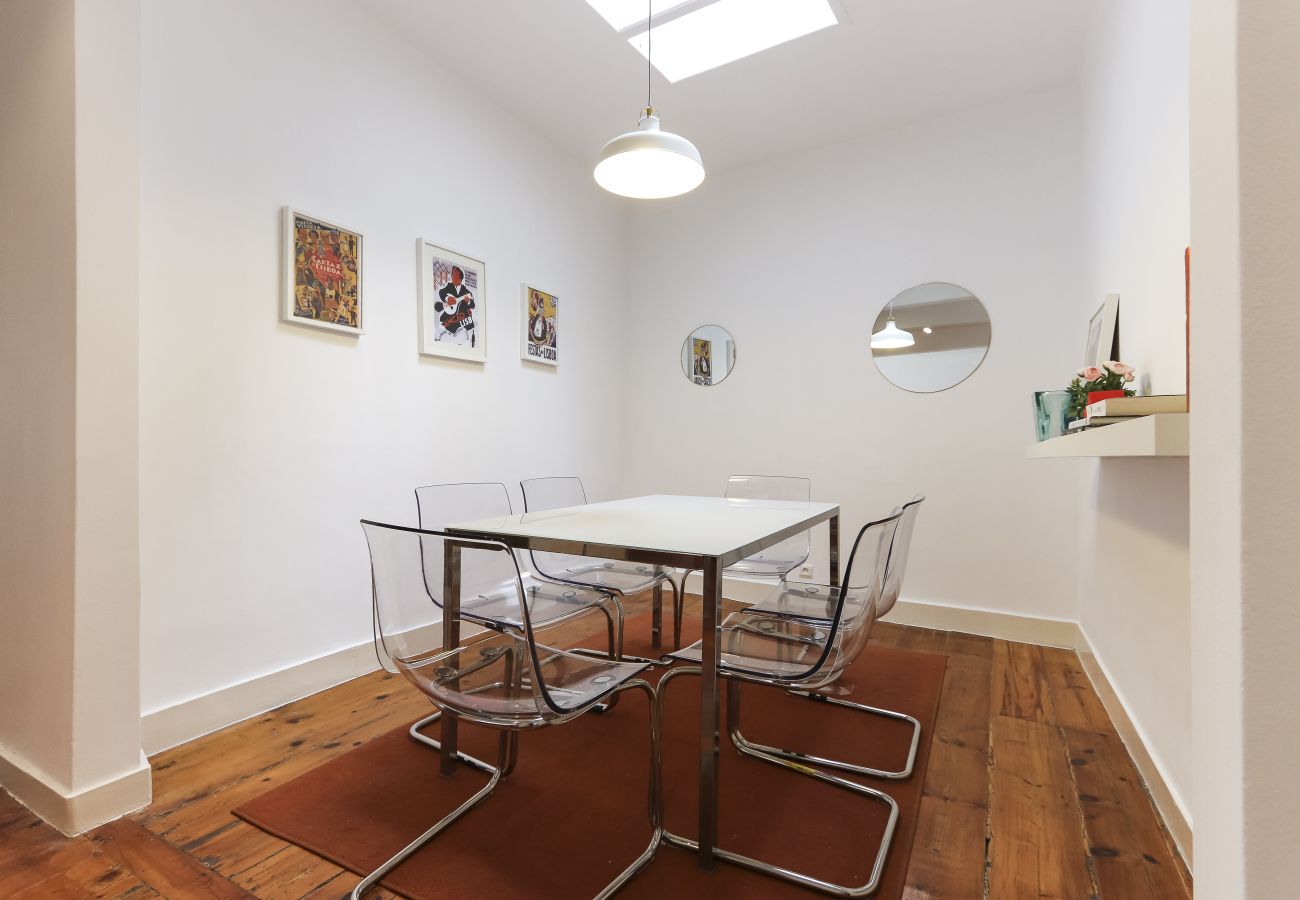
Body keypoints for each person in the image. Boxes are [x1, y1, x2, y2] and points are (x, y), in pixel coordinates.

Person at [435, 265, 476, 345]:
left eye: (455, 275)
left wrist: (468, 302)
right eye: (452, 274)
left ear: (460, 278)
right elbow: (441, 292)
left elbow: (473, 305)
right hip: (449, 321)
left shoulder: (466, 292)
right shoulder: (448, 287)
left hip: (463, 321)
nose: (452, 276)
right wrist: (447, 298)